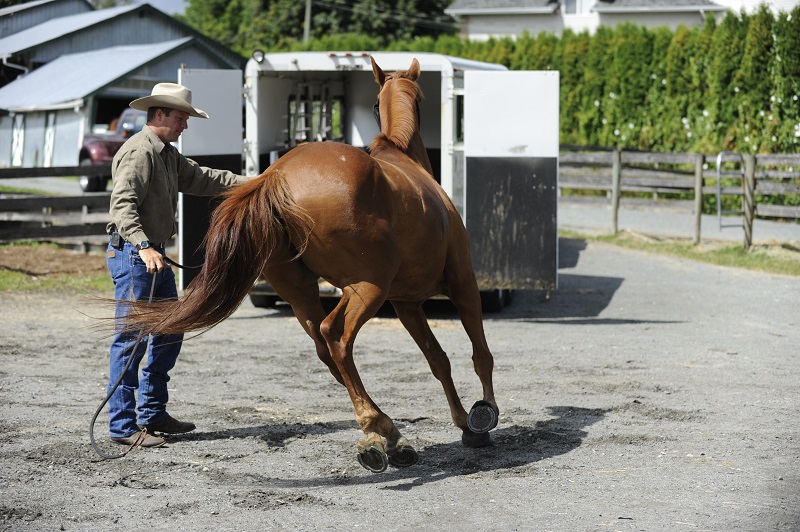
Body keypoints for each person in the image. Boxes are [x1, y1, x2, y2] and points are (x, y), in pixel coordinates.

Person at [105, 83, 248, 448]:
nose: (185, 125)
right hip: (137, 256)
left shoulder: (167, 154)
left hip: (151, 257)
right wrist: (143, 247)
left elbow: (204, 179)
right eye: (181, 117)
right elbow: (122, 206)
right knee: (132, 339)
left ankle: (152, 413)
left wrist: (256, 183)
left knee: (170, 331)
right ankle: (123, 427)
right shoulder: (140, 152)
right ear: (160, 115)